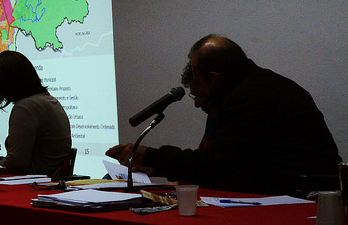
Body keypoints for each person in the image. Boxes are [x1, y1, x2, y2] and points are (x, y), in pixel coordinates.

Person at [106, 34, 342, 196]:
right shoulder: (260, 85)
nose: (197, 102)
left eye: (199, 84)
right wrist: (155, 165)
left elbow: (216, 165)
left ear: (214, 79)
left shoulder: (247, 98)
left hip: (301, 198)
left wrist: (150, 157)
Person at [0, 50, 71, 177]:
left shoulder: (25, 108)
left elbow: (15, 164)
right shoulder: (48, 101)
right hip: (48, 181)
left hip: (33, 183)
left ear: (6, 82)